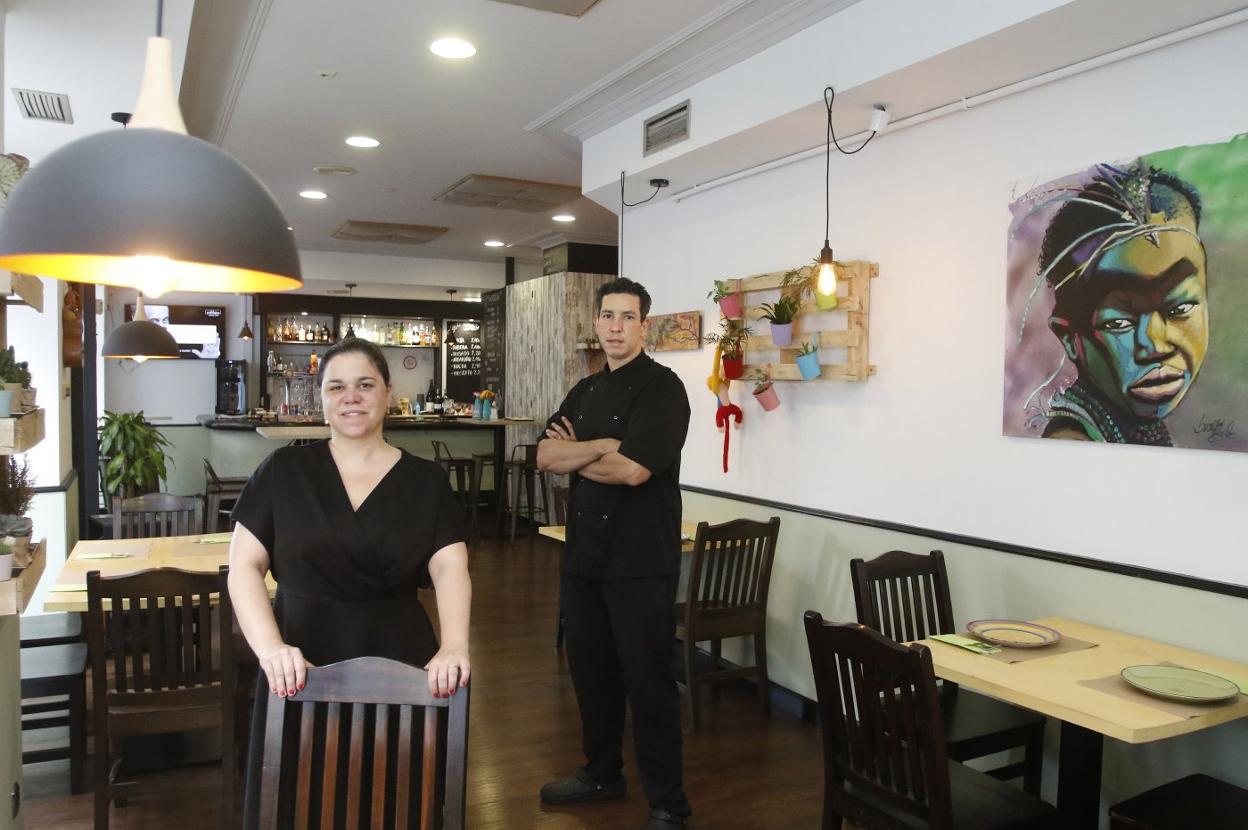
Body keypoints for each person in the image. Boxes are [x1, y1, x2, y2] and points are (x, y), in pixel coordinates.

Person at [227, 336, 471, 819]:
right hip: (299, 659)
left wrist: (455, 644)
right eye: (336, 387)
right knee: (297, 796)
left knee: (397, 794)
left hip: (398, 657)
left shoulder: (427, 481)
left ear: (387, 392)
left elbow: (450, 565)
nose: (351, 397)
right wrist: (270, 648)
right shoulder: (283, 470)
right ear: (320, 397)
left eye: (364, 384)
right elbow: (243, 567)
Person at [536, 278, 693, 830]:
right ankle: (601, 773)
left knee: (648, 683)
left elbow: (634, 470)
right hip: (584, 559)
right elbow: (545, 455)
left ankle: (669, 802)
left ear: (644, 325)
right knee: (591, 673)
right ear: (597, 322)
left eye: (627, 317)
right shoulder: (584, 392)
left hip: (640, 562)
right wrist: (599, 447)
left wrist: (586, 454)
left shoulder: (664, 389)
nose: (615, 327)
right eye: (607, 316)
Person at [1036, 162, 1209, 445]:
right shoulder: (1073, 440)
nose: (1155, 345)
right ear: (1070, 338)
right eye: (1119, 322)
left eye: (1180, 308)